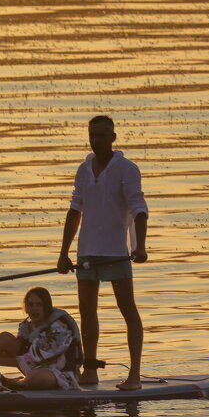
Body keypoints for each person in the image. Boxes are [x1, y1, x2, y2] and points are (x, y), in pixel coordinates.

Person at [56, 115, 148, 390]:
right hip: (88, 252)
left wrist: (140, 247)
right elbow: (75, 211)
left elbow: (139, 209)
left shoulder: (126, 168)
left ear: (112, 138)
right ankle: (91, 370)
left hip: (116, 253)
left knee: (127, 310)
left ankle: (134, 375)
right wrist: (63, 253)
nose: (95, 140)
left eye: (101, 136)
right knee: (87, 311)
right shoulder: (84, 169)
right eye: (92, 135)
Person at [0, 286, 83, 390]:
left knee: (38, 377)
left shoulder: (59, 326)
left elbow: (30, 359)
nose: (34, 309)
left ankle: (8, 382)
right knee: (4, 338)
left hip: (62, 374)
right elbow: (15, 354)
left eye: (39, 304)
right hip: (34, 367)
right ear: (26, 308)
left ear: (47, 306)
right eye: (31, 305)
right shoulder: (27, 326)